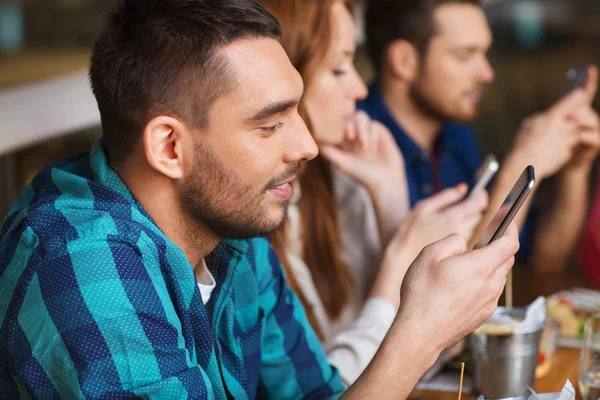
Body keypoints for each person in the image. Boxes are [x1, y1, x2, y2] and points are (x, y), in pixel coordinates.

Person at [0, 0, 519, 398]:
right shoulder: (81, 265)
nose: (308, 145)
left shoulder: (234, 238)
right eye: (270, 124)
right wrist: (419, 332)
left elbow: (322, 395)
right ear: (169, 146)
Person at [255, 0, 487, 385]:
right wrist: (398, 262)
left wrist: (391, 198)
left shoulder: (332, 186)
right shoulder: (248, 214)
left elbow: (428, 354)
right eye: (338, 68)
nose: (360, 88)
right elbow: (334, 390)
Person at [362, 0, 600, 272]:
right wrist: (522, 162)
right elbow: (437, 292)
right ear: (404, 61)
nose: (487, 73)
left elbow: (544, 260)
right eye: (465, 55)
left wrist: (576, 167)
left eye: (484, 53)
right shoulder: (358, 145)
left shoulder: (455, 133)